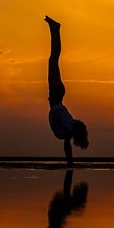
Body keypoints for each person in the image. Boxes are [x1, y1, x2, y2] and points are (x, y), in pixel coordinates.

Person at [44, 16, 89, 165]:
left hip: (57, 94)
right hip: (56, 94)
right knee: (53, 59)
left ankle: (54, 29)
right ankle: (55, 29)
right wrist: (70, 162)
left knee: (53, 59)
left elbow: (67, 145)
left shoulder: (69, 129)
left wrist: (70, 162)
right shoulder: (68, 128)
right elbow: (66, 146)